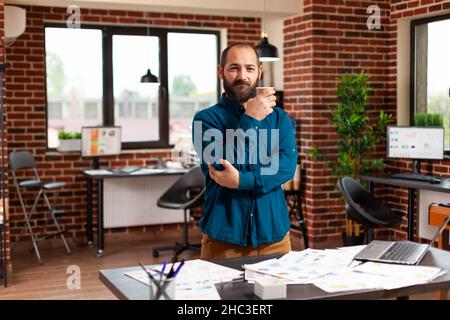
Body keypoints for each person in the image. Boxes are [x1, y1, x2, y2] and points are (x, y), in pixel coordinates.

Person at [192, 43, 298, 260]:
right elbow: (220, 168)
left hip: (274, 238)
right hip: (224, 240)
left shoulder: (279, 118)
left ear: (259, 71)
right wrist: (250, 119)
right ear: (220, 71)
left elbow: (285, 169)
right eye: (234, 68)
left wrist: (241, 180)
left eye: (249, 68)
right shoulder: (205, 120)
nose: (242, 76)